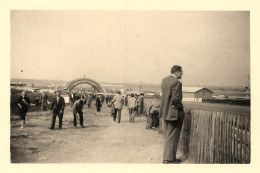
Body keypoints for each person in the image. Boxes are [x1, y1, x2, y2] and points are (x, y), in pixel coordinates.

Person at [159, 65, 185, 164]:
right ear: (177, 71)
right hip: (173, 114)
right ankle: (168, 159)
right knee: (172, 136)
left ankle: (171, 157)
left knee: (169, 135)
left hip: (165, 112)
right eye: (181, 71)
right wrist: (181, 110)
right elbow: (176, 100)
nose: (182, 73)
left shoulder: (164, 80)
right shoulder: (176, 82)